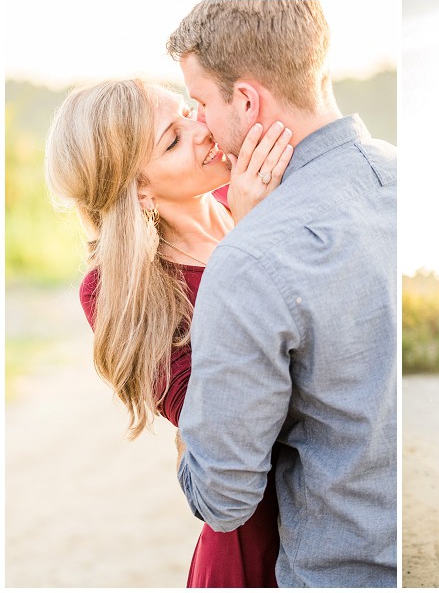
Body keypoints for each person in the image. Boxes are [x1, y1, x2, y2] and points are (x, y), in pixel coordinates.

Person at [166, 0, 397, 588]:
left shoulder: (248, 260)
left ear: (245, 100)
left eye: (203, 105)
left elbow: (224, 499)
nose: (202, 125)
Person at [44, 78, 293, 587]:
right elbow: (208, 418)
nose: (202, 129)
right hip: (255, 535)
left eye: (188, 111)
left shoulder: (259, 190)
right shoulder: (117, 290)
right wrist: (248, 246)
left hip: (335, 503)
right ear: (139, 187)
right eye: (173, 140)